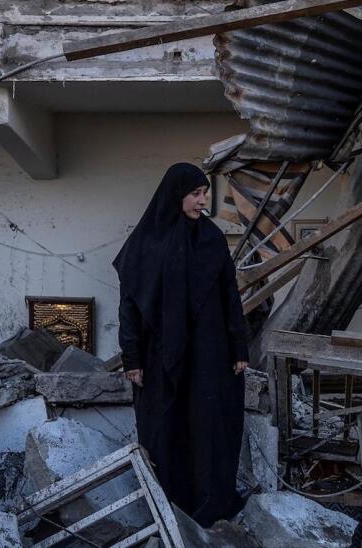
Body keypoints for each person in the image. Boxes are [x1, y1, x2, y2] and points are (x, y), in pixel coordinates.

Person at [113, 162, 250, 527]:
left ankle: (210, 508)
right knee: (165, 428)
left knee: (209, 426)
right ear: (175, 196)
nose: (202, 201)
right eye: (195, 194)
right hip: (160, 357)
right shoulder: (144, 244)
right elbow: (129, 307)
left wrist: (239, 348)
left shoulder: (211, 240)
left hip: (209, 354)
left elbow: (230, 296)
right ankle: (169, 508)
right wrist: (132, 358)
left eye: (204, 194)